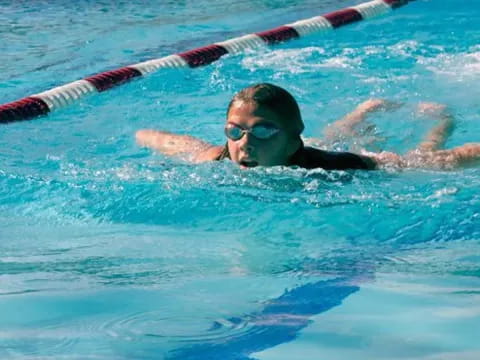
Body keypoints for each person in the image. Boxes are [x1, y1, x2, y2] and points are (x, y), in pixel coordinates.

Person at [136, 83, 480, 170]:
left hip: (322, 152)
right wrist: (144, 135)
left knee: (423, 154)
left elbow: (439, 163)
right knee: (330, 134)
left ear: (290, 132)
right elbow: (179, 144)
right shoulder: (222, 157)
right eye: (234, 131)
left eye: (262, 130)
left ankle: (444, 117)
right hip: (299, 144)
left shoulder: (334, 166)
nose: (245, 143)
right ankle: (365, 110)